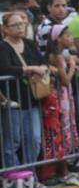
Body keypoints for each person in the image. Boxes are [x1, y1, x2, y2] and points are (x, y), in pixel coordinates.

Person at [0, 12, 48, 173]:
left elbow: (43, 62)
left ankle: (29, 174)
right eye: (15, 25)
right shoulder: (3, 47)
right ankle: (15, 175)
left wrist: (42, 68)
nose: (20, 27)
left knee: (34, 139)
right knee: (13, 142)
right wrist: (30, 69)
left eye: (22, 24)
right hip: (12, 100)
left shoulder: (28, 43)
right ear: (5, 29)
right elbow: (5, 69)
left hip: (32, 99)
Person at [42, 25, 79, 185]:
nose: (71, 38)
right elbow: (65, 80)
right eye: (68, 35)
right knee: (62, 130)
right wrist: (72, 65)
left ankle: (64, 168)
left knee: (63, 130)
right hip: (61, 96)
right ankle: (63, 170)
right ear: (58, 38)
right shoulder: (57, 56)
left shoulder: (58, 55)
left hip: (64, 96)